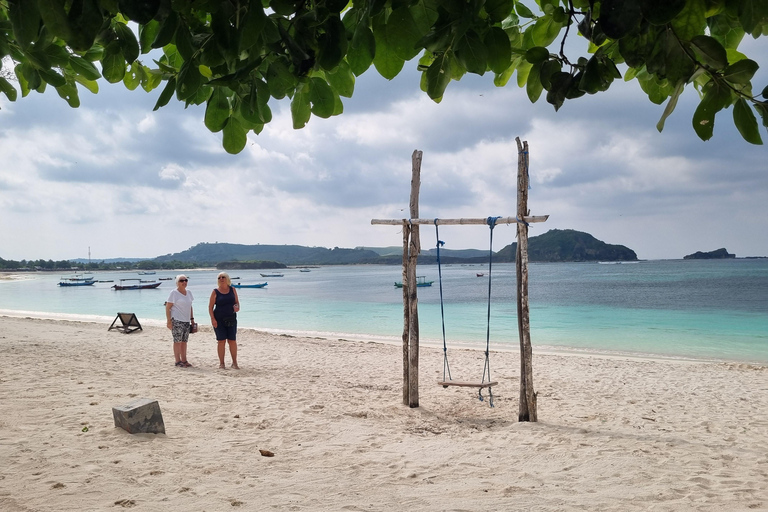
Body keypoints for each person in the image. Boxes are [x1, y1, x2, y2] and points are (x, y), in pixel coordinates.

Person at [209, 272, 240, 369]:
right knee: (221, 341)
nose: (221, 279)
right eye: (219, 278)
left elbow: (237, 302)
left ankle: (234, 363)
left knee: (232, 341)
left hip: (231, 318)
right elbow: (210, 307)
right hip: (219, 320)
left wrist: (237, 307)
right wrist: (213, 319)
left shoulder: (233, 289)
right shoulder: (215, 291)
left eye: (223, 277)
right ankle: (222, 363)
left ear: (227, 279)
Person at [165, 274, 195, 368]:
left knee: (184, 341)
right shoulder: (174, 293)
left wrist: (192, 319)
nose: (184, 282)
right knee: (177, 341)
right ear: (177, 283)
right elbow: (168, 307)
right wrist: (169, 321)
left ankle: (184, 360)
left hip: (186, 321)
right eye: (182, 281)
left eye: (186, 280)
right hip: (177, 320)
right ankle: (178, 361)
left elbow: (190, 306)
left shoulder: (189, 292)